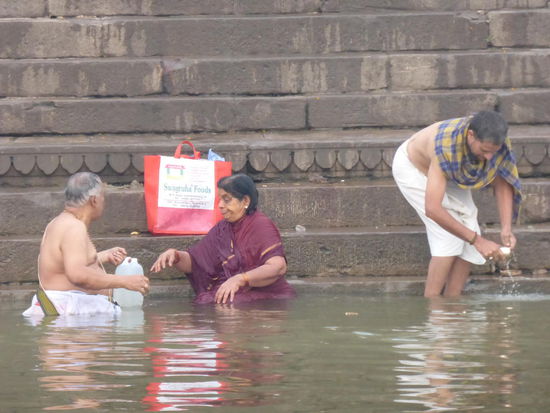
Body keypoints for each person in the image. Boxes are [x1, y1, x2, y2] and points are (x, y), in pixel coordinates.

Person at [392, 111, 522, 297]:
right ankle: (434, 305)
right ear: (471, 136)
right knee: (448, 237)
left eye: (493, 152)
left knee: (469, 224)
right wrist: (478, 241)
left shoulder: (496, 143)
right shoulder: (444, 147)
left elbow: (502, 183)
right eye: (484, 151)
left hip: (452, 173)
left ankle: (453, 301)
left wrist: (506, 229)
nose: (489, 158)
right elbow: (433, 209)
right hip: (414, 168)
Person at [150, 173, 296, 304]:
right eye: (220, 199)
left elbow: (278, 266)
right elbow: (196, 262)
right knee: (210, 302)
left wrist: (241, 279)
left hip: (269, 298)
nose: (220, 205)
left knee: (223, 305)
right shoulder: (222, 229)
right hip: (235, 297)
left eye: (227, 200)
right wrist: (175, 255)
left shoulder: (260, 225)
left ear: (245, 201)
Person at [23, 172, 150, 317]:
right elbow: (78, 274)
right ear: (94, 200)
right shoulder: (73, 228)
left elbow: (67, 263)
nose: (104, 201)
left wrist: (104, 256)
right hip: (68, 318)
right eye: (103, 196)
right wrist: (124, 281)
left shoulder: (61, 223)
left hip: (65, 316)